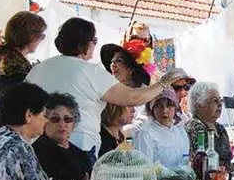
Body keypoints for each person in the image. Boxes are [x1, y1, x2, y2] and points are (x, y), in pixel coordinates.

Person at [26, 18, 176, 159]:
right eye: (94, 41)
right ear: (85, 44)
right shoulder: (91, 71)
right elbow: (134, 97)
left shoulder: (38, 69)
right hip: (78, 148)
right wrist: (163, 83)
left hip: (37, 147)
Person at [32, 93, 99, 180]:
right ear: (45, 122)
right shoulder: (36, 152)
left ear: (74, 123)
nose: (62, 124)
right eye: (55, 119)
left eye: (68, 119)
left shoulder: (80, 154)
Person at [0, 11, 47, 143]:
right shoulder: (13, 62)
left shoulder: (8, 55)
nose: (41, 40)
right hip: (9, 123)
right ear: (30, 36)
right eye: (41, 36)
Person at [134, 88, 190, 171]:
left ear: (175, 108)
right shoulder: (146, 133)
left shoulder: (180, 131)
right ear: (152, 109)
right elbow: (145, 168)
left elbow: (185, 159)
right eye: (159, 106)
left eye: (169, 105)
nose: (164, 110)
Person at [185, 82, 233, 170]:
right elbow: (202, 162)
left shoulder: (220, 128)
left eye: (220, 100)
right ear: (199, 105)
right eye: (214, 100)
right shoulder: (195, 127)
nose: (220, 104)